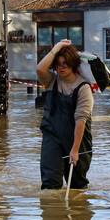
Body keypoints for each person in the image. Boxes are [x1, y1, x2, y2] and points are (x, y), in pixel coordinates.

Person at [36, 39, 94, 190]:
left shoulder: (83, 88)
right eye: (58, 64)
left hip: (78, 140)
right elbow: (40, 69)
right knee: (50, 185)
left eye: (65, 63)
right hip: (52, 137)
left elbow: (81, 121)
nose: (61, 67)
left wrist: (74, 150)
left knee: (77, 186)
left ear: (73, 64)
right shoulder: (51, 81)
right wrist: (56, 48)